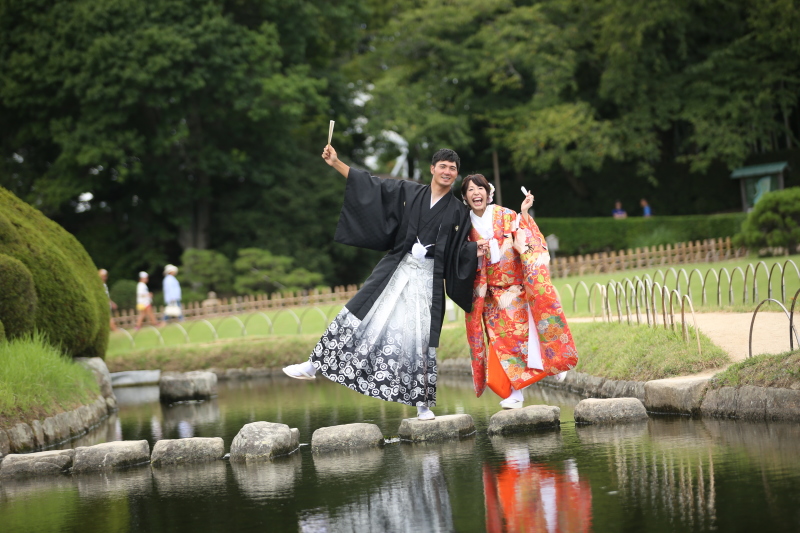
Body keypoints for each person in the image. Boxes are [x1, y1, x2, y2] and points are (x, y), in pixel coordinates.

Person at [282, 144, 479, 420]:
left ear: (456, 175)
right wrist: (337, 163)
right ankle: (314, 365)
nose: (447, 171)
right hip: (398, 267)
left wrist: (473, 250)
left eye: (453, 168)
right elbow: (371, 186)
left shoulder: (458, 211)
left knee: (418, 336)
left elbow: (463, 248)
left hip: (427, 276)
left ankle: (422, 403)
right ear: (433, 169)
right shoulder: (410, 192)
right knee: (360, 313)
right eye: (443, 166)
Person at [462, 174, 578, 409]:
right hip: (489, 294)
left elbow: (525, 238)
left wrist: (524, 213)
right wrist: (472, 250)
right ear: (464, 197)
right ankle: (517, 391)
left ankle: (525, 386)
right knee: (500, 343)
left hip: (515, 289)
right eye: (470, 190)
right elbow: (459, 254)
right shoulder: (464, 225)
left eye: (480, 188)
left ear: (488, 192)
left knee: (521, 339)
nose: (476, 193)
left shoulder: (506, 215)